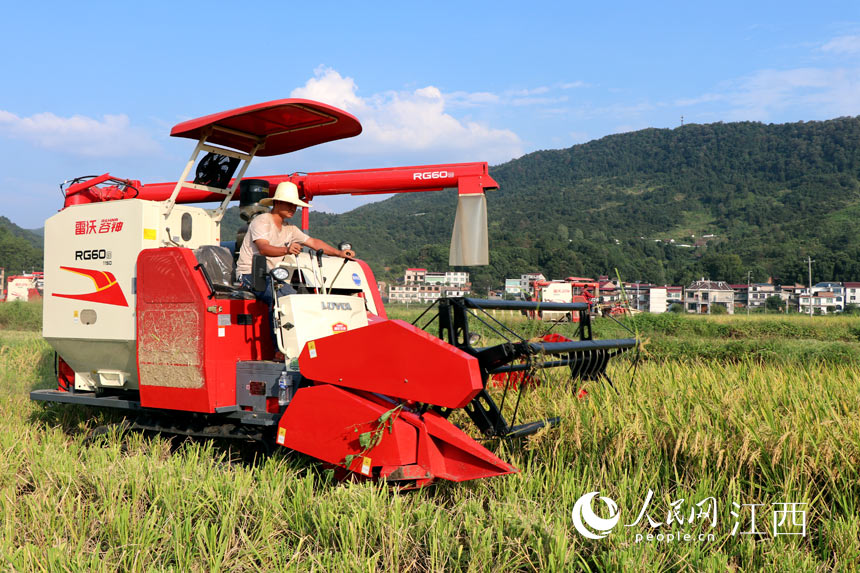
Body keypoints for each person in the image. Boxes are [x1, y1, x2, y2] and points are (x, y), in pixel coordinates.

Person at [235, 181, 354, 308]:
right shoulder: (262, 221)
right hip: (249, 274)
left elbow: (313, 242)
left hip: (272, 276)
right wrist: (287, 250)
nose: (293, 208)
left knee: (297, 301)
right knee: (280, 302)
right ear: (277, 202)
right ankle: (274, 328)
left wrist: (339, 253)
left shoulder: (290, 229)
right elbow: (264, 249)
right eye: (289, 204)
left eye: (295, 205)